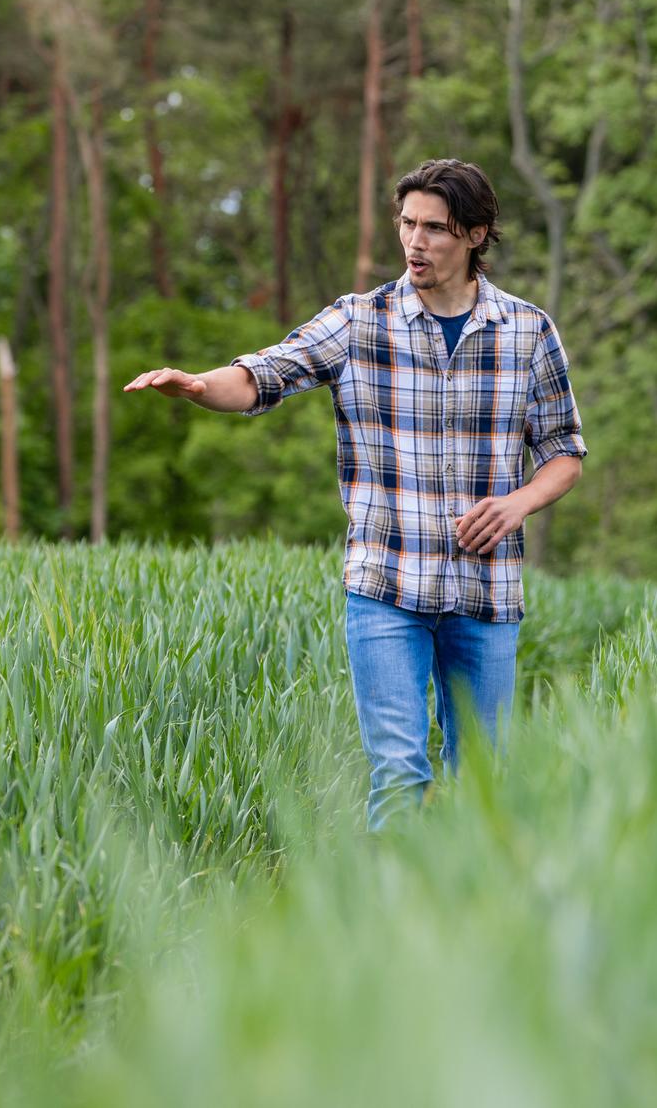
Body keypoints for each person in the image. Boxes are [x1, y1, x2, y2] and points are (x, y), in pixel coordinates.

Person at [126, 158, 587, 827]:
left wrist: (518, 504)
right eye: (407, 224)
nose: (415, 242)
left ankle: (480, 923)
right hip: (384, 588)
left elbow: (564, 452)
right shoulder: (358, 321)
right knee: (399, 773)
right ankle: (386, 927)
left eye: (435, 228)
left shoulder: (527, 331)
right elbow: (264, 374)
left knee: (486, 784)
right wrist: (199, 385)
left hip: (486, 592)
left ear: (476, 235)